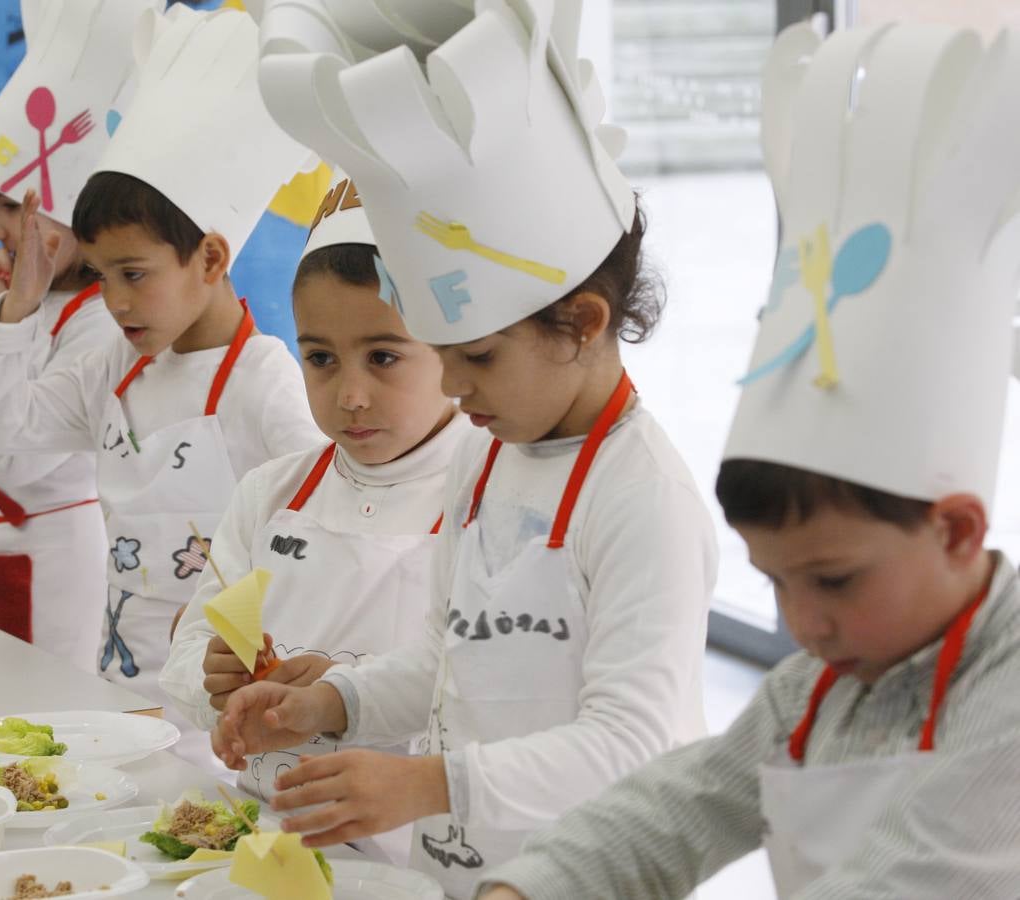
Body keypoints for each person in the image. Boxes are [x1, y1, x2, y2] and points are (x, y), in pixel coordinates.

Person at [476, 19, 1020, 900]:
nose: (803, 624)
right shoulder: (821, 685)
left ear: (955, 528)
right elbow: (671, 809)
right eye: (774, 584)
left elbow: (911, 878)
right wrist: (529, 886)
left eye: (833, 580)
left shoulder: (1007, 687)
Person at [212, 3, 716, 894]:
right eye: (442, 356)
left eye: (477, 355)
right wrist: (335, 703)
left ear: (583, 324)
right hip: (464, 868)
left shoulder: (644, 496)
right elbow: (453, 656)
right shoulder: (485, 456)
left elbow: (633, 743)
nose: (451, 387)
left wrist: (427, 782)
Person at [0, 4, 322, 725]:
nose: (117, 302)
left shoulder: (264, 382)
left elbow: (320, 539)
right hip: (118, 702)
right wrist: (15, 311)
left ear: (211, 258)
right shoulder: (111, 366)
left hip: (224, 715)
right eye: (98, 276)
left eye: (134, 274)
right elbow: (3, 430)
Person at [159, 170, 473, 860]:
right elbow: (185, 653)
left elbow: (486, 694)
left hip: (406, 856)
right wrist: (210, 679)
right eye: (321, 359)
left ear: (451, 350)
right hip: (265, 833)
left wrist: (342, 692)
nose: (351, 394)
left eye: (384, 357)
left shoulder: (483, 496)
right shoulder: (274, 492)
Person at [0, 0, 154, 670]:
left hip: (60, 553)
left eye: (7, 207)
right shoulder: (11, 304)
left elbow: (15, 459)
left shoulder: (98, 320)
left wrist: (4, 318)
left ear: (63, 215)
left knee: (48, 710)